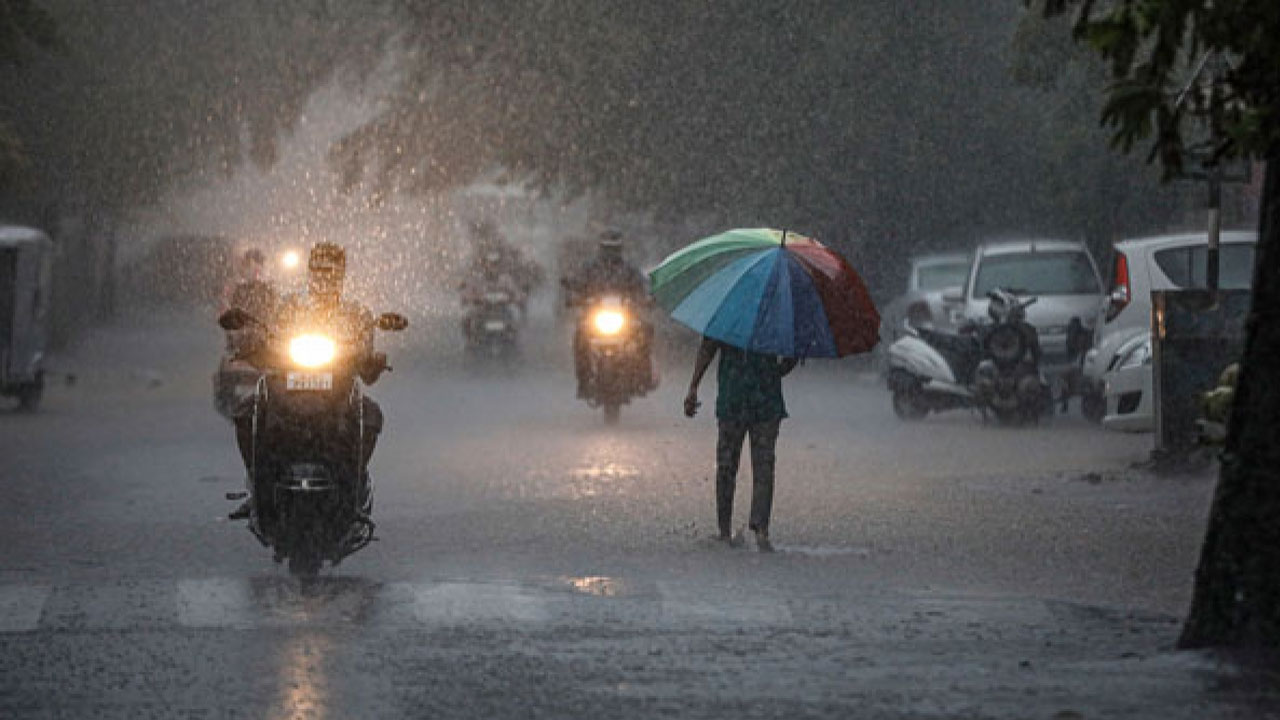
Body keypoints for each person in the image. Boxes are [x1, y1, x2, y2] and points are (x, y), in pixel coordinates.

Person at [228, 242, 388, 520]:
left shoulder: (357, 314)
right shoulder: (289, 305)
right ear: (310, 273)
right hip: (290, 386)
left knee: (370, 415)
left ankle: (355, 486)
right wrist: (253, 346)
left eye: (331, 271)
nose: (324, 277)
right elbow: (269, 340)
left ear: (341, 275)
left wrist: (372, 361)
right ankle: (257, 486)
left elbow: (367, 367)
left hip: (336, 391)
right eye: (318, 270)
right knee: (247, 412)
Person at [683, 337, 799, 552]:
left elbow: (707, 348)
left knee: (727, 467)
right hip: (765, 401)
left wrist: (693, 386)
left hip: (734, 400)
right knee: (763, 467)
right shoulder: (775, 316)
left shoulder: (730, 314)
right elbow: (791, 355)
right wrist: (772, 372)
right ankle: (760, 529)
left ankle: (725, 532)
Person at [563, 229, 654, 398]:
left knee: (645, 332)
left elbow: (643, 287)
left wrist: (647, 298)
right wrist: (574, 295)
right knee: (580, 338)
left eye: (614, 250)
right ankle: (583, 381)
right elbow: (577, 284)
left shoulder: (629, 269)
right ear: (601, 249)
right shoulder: (590, 268)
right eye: (607, 249)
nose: (610, 255)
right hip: (594, 318)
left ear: (620, 249)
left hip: (625, 318)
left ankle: (644, 376)